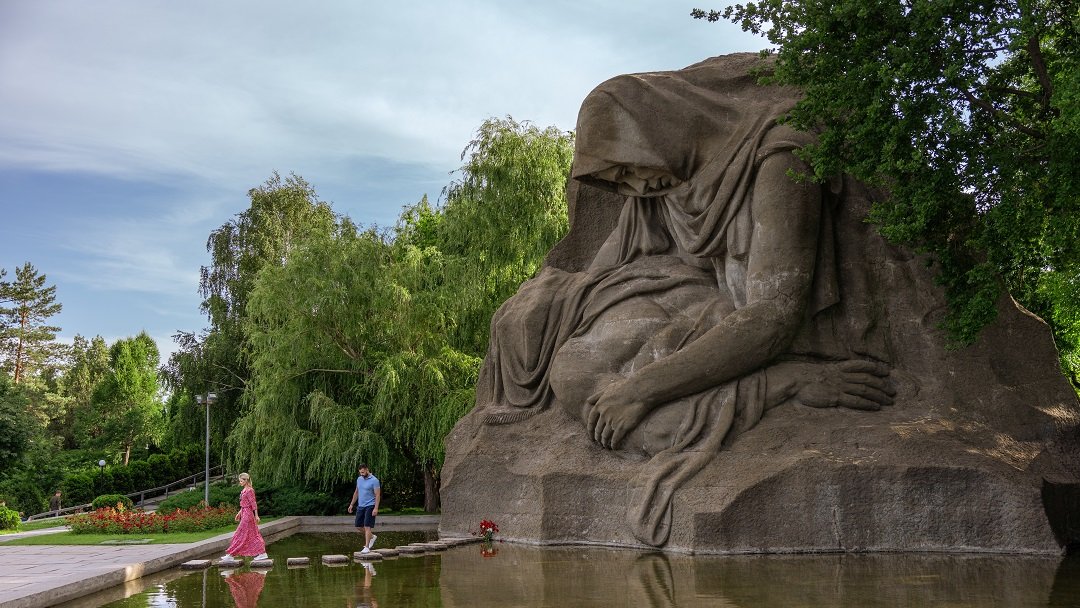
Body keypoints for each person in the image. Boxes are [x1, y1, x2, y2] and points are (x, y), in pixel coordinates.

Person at [478, 53, 896, 545]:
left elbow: (773, 316)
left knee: (612, 401)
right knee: (573, 375)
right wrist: (543, 308)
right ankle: (725, 393)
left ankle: (785, 383)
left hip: (763, 330)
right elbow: (603, 271)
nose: (637, 187)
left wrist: (640, 390)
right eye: (620, 181)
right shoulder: (663, 183)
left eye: (630, 168)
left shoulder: (779, 157)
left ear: (655, 127)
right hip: (691, 309)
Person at [221, 473, 268, 561]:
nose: (240, 482)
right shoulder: (244, 490)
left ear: (246, 480)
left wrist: (256, 515)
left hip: (248, 515)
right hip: (244, 513)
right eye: (240, 481)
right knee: (252, 534)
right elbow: (244, 504)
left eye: (241, 481)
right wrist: (239, 513)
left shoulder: (250, 490)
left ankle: (231, 554)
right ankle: (262, 553)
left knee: (241, 534)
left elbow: (253, 503)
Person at [347, 463, 381, 554]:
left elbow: (377, 495)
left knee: (367, 526)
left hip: (370, 505)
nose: (361, 474)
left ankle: (367, 547)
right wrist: (351, 504)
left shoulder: (374, 480)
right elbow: (356, 492)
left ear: (367, 470)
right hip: (361, 505)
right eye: (360, 473)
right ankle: (372, 537)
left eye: (363, 472)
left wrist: (376, 508)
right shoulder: (359, 479)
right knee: (358, 526)